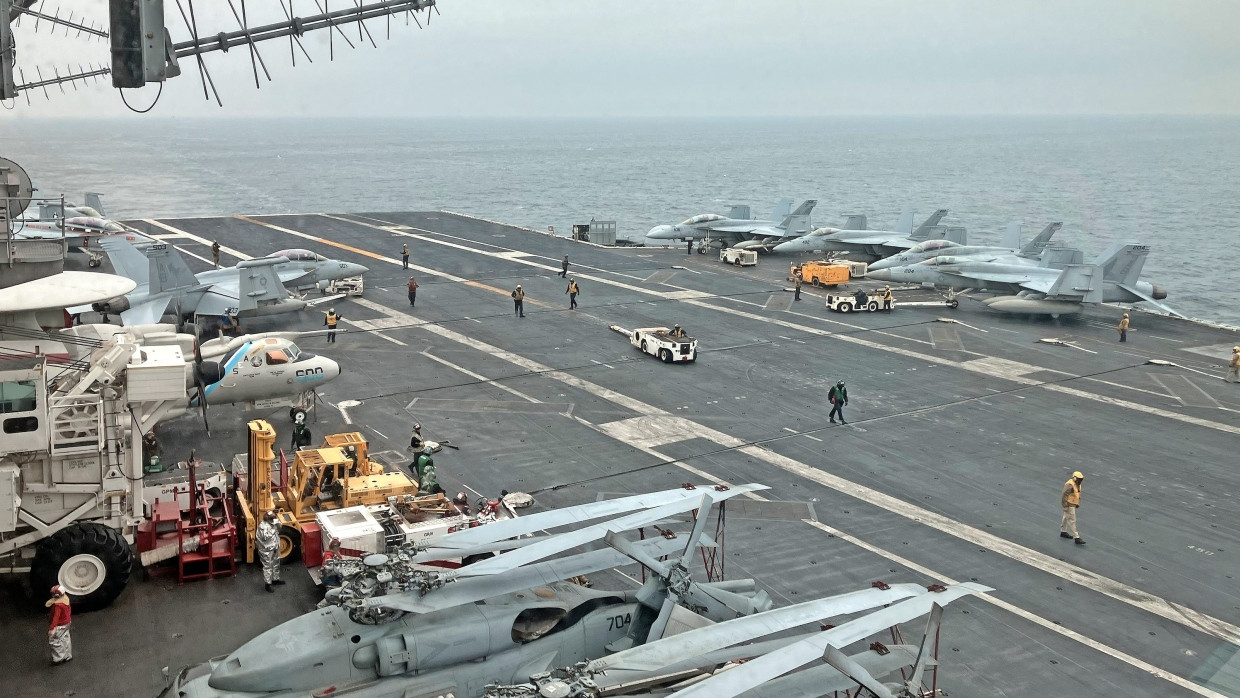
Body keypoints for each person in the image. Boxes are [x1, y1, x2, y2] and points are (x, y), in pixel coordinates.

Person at [256, 510, 285, 592]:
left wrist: (278, 523)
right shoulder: (263, 526)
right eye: (272, 519)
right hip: (266, 550)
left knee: (276, 563)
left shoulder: (273, 522)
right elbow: (266, 537)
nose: (273, 520)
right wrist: (274, 528)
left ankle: (276, 579)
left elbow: (280, 527)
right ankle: (267, 584)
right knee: (268, 566)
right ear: (267, 519)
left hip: (275, 547)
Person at [46, 585, 72, 665]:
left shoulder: (58, 605)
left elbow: (56, 617)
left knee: (55, 641)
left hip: (60, 625)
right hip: (67, 622)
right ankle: (67, 655)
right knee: (65, 638)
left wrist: (52, 628)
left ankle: (58, 658)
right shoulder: (65, 599)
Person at [1060, 471, 1086, 545]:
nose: (1080, 481)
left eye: (1081, 479)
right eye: (1079, 479)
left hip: (1072, 504)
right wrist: (1065, 506)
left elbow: (1077, 494)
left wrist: (1077, 503)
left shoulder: (1077, 484)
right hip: (1069, 504)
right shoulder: (1069, 485)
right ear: (1074, 478)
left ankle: (1063, 531)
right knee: (1072, 520)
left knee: (1065, 517)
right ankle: (1076, 537)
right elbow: (1064, 495)